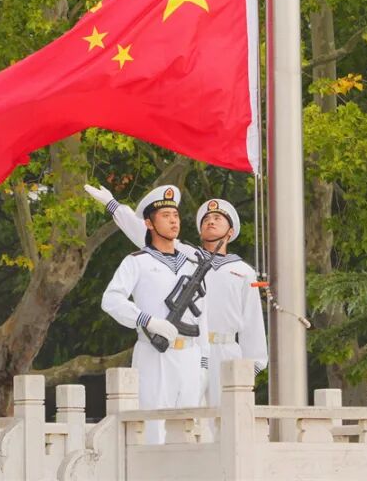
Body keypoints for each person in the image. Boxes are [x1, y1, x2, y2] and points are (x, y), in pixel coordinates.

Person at [87, 184, 268, 409]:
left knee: (229, 418)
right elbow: (144, 232)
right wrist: (113, 205)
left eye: (218, 219)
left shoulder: (244, 271)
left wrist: (254, 364)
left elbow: (252, 322)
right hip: (189, 346)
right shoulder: (187, 257)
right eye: (206, 219)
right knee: (189, 421)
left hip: (226, 350)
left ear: (230, 232)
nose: (210, 221)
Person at [99, 185, 209, 444]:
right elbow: (110, 299)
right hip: (155, 352)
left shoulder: (192, 262)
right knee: (155, 431)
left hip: (191, 355)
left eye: (176, 215)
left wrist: (205, 360)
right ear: (148, 223)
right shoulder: (137, 261)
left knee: (192, 433)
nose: (173, 220)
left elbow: (203, 316)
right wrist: (147, 320)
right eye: (165, 216)